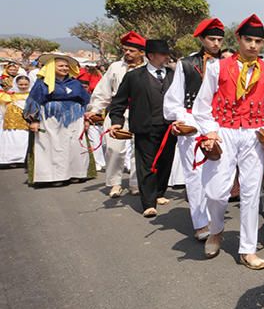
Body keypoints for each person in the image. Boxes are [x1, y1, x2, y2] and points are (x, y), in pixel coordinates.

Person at [192, 14, 264, 270]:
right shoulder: (217, 68)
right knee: (216, 191)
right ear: (238, 39)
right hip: (224, 131)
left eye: (258, 41)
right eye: (248, 40)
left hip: (254, 134)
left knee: (252, 191)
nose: (253, 45)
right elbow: (201, 106)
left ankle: (247, 249)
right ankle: (216, 229)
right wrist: (210, 131)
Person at [163, 17, 225, 240]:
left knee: (220, 171)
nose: (216, 43)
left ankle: (216, 218)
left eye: (219, 39)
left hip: (220, 122)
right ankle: (201, 222)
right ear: (201, 39)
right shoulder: (186, 64)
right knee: (194, 173)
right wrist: (183, 120)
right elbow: (174, 99)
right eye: (212, 39)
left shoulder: (229, 63)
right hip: (193, 122)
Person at [107, 40, 176, 218]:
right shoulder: (134, 76)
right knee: (146, 164)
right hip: (145, 126)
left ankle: (159, 192)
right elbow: (119, 101)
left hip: (169, 127)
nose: (166, 57)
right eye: (163, 54)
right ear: (151, 56)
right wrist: (116, 120)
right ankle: (148, 202)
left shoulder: (173, 75)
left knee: (165, 161)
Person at [87, 31, 146, 198]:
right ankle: (115, 183)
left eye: (131, 50)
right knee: (114, 149)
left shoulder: (148, 69)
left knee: (139, 150)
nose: (127, 53)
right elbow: (103, 91)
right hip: (117, 113)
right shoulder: (115, 68)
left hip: (141, 114)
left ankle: (136, 183)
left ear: (141, 52)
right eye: (125, 50)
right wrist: (95, 109)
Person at [23, 54, 95, 186]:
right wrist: (34, 120)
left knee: (75, 146)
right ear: (52, 67)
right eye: (61, 66)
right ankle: (55, 176)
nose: (65, 68)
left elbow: (85, 101)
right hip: (51, 121)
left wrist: (86, 119)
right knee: (54, 147)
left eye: (67, 66)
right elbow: (33, 102)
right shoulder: (42, 83)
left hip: (75, 120)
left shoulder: (75, 83)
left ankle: (77, 173)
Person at [0, 74, 32, 165]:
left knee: (24, 140)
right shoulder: (9, 96)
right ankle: (9, 159)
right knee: (11, 140)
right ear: (16, 84)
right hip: (11, 124)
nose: (23, 87)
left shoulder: (32, 96)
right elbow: (3, 109)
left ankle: (23, 158)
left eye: (25, 84)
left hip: (26, 123)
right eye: (21, 85)